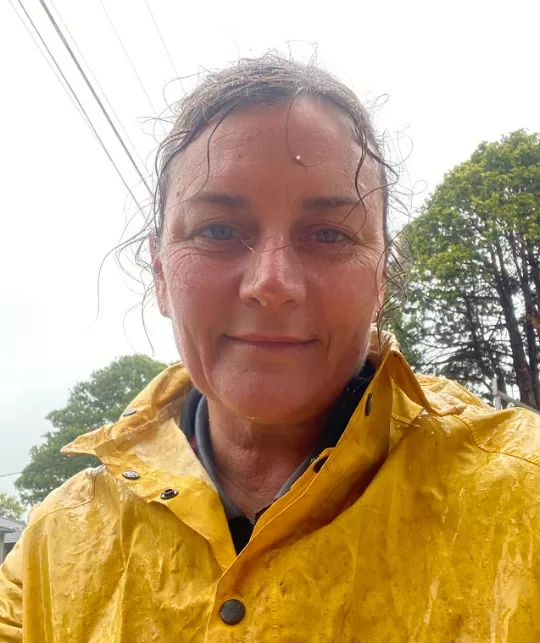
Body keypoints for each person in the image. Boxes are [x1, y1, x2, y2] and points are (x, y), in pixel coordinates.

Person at [1, 54, 539, 643]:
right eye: (218, 231)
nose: (273, 283)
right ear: (159, 272)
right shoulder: (54, 547)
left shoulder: (524, 497)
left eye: (329, 234)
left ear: (381, 278)